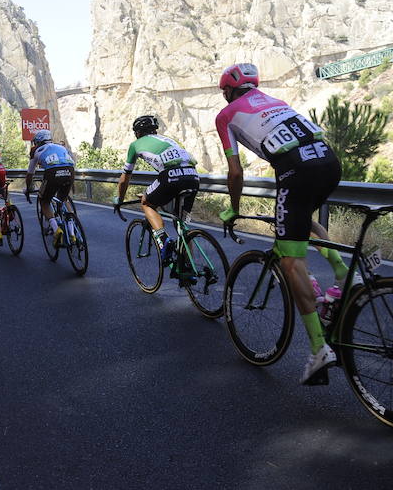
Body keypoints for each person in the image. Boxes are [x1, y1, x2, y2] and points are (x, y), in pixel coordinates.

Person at [215, 63, 342, 385]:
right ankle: (343, 279)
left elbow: (235, 173)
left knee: (289, 261)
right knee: (301, 219)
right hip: (329, 161)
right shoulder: (276, 102)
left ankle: (318, 349)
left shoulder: (226, 114)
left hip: (296, 170)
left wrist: (233, 209)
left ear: (228, 91)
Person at [114, 116, 200, 269]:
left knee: (147, 203)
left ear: (138, 133)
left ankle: (164, 240)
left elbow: (125, 178)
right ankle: (190, 268)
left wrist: (119, 199)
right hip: (193, 176)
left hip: (171, 177)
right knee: (182, 225)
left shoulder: (135, 145)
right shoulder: (169, 140)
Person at [24, 130, 76, 246]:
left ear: (37, 142)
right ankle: (72, 232)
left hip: (53, 173)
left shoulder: (35, 150)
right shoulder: (61, 147)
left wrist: (28, 188)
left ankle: (56, 229)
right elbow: (71, 162)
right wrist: (72, 184)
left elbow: (30, 174)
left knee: (44, 200)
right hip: (70, 171)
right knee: (64, 199)